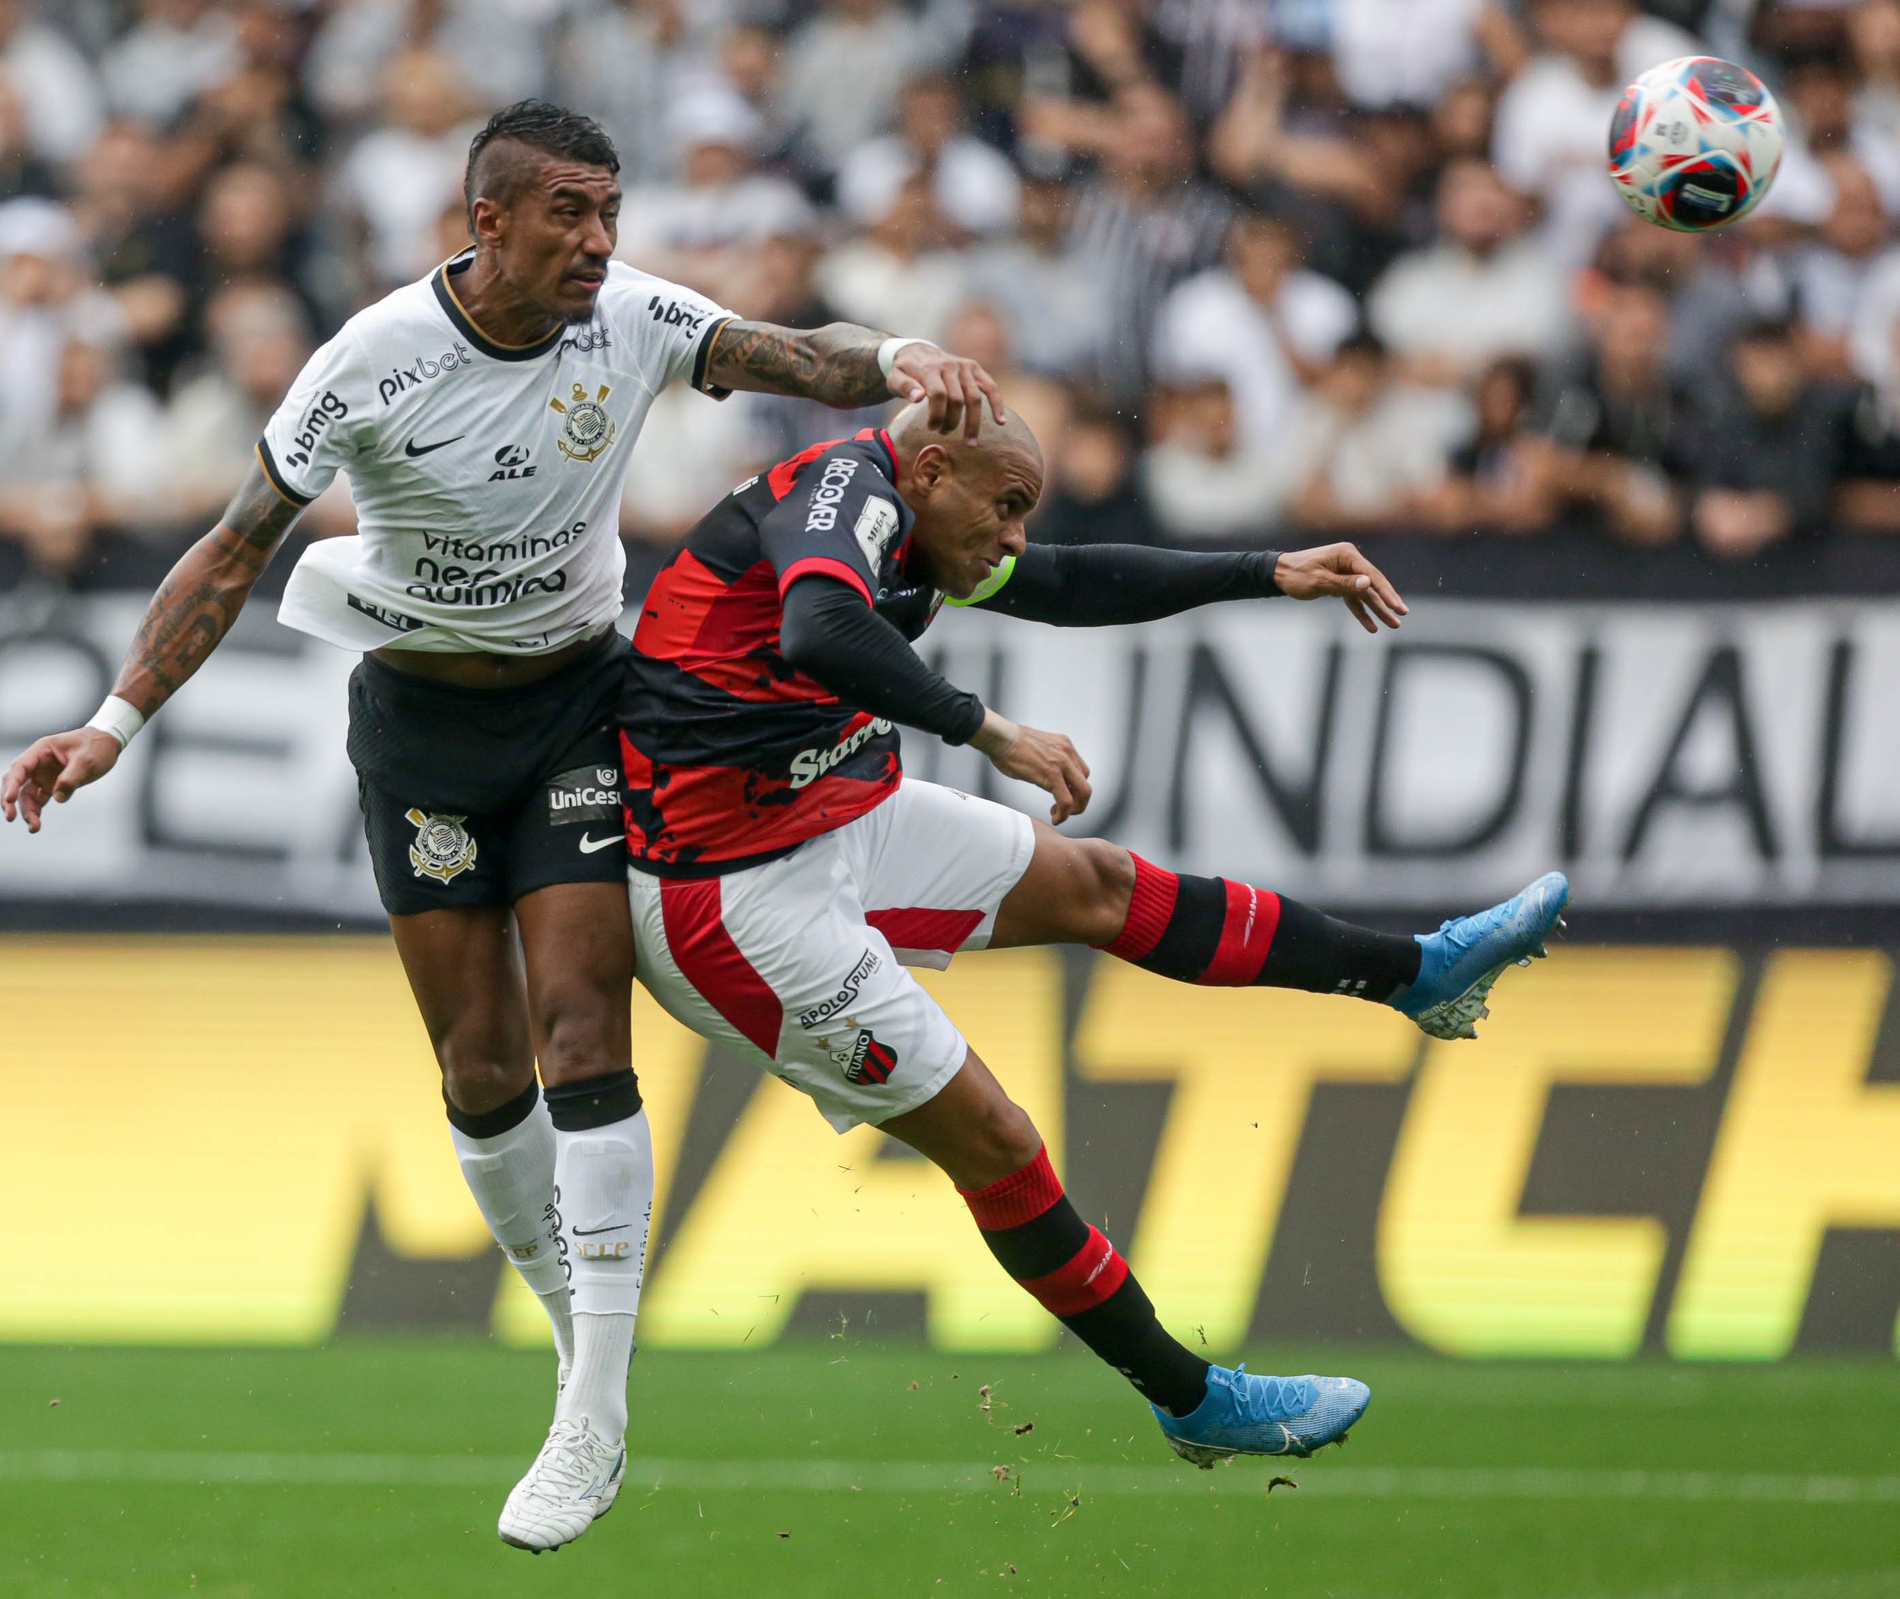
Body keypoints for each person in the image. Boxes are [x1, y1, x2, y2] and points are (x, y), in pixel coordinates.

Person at [0, 100, 1001, 1557]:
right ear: (489, 224)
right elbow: (232, 547)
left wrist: (900, 356)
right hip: (422, 731)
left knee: (582, 1029)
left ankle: (594, 1405)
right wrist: (111, 723)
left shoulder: (634, 318)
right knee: (479, 1070)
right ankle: (573, 1334)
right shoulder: (372, 360)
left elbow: (795, 354)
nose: (600, 238)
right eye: (570, 213)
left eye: (610, 208)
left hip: (585, 708)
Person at [615, 400, 1570, 1478]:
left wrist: (1266, 570)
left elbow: (1065, 583)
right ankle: (1188, 1397)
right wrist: (989, 730)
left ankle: (1419, 979)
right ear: (930, 471)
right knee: (1000, 1143)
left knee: (1099, 882)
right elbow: (816, 631)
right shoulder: (843, 501)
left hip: (827, 815)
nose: (1015, 537)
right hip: (730, 903)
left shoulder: (920, 520)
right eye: (1006, 506)